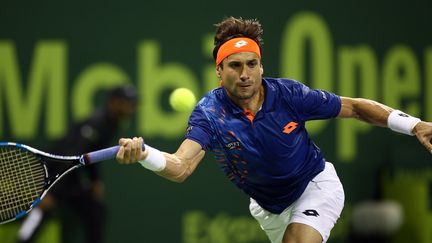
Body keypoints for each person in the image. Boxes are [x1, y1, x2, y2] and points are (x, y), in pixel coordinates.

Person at [115, 17, 432, 243]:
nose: (245, 74)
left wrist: (414, 125)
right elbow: (181, 167)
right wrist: (144, 154)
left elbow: (356, 108)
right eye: (235, 66)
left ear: (261, 66)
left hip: (315, 185)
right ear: (219, 71)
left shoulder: (289, 95)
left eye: (252, 64)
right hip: (268, 210)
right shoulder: (209, 113)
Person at [17, 85, 138, 243]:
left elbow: (90, 156)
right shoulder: (98, 122)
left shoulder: (112, 123)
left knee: (96, 211)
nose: (130, 108)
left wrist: (95, 181)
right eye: (126, 103)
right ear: (113, 102)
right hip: (54, 170)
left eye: (132, 104)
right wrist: (51, 193)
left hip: (70, 174)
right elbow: (72, 154)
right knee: (42, 211)